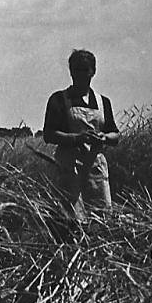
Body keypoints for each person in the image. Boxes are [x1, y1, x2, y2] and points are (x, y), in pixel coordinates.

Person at [43, 49, 120, 215]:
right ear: (70, 71)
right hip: (68, 168)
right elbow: (48, 134)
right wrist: (76, 138)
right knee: (71, 218)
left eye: (85, 69)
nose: (81, 74)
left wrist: (104, 137)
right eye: (76, 69)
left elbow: (115, 135)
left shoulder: (103, 102)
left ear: (93, 71)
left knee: (101, 217)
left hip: (96, 170)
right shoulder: (59, 99)